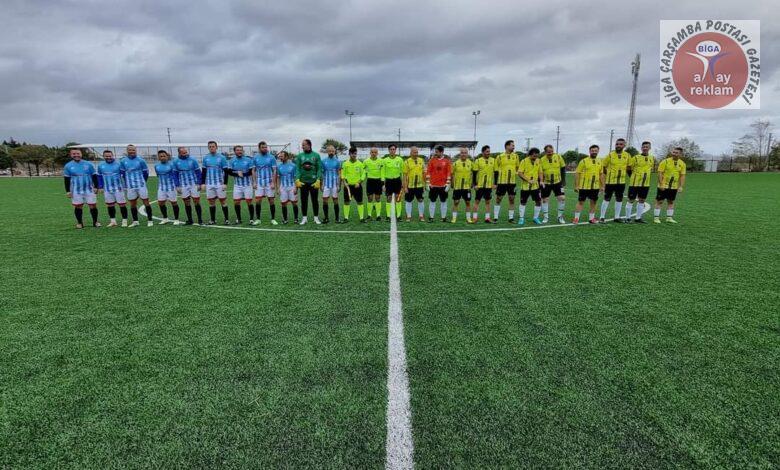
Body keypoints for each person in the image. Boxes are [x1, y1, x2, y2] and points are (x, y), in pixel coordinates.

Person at [63, 148, 100, 229]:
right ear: (71, 155)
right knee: (78, 206)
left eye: (78, 153)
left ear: (81, 154)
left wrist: (96, 187)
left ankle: (95, 222)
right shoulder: (68, 166)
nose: (76, 155)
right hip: (76, 190)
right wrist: (68, 191)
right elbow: (66, 179)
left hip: (89, 189)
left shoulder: (88, 164)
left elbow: (94, 176)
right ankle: (79, 223)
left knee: (93, 205)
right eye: (74, 154)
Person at [119, 144, 153, 227]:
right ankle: (135, 221)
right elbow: (122, 173)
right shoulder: (123, 161)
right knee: (132, 203)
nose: (131, 151)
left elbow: (146, 173)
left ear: (136, 150)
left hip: (141, 185)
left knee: (146, 201)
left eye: (133, 150)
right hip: (130, 186)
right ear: (127, 151)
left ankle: (150, 220)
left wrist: (143, 182)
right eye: (130, 150)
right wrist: (126, 184)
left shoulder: (141, 160)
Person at [573, 145, 605, 224]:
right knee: (581, 202)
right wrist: (576, 185)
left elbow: (601, 174)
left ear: (598, 151)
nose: (594, 152)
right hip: (584, 186)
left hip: (595, 186)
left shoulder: (600, 161)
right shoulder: (583, 161)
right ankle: (576, 218)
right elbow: (577, 173)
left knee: (593, 202)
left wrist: (602, 186)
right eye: (592, 151)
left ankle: (591, 218)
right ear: (589, 151)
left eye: (595, 151)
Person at [653, 147, 686, 224]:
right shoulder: (665, 161)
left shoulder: (682, 164)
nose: (674, 154)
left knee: (671, 202)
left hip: (674, 186)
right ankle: (656, 218)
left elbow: (682, 175)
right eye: (673, 152)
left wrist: (681, 186)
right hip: (663, 186)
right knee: (659, 201)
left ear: (680, 154)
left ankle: (669, 218)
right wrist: (661, 184)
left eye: (676, 153)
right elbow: (660, 173)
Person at [600, 138, 630, 222]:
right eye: (617, 144)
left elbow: (628, 167)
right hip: (610, 182)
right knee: (607, 198)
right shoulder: (610, 155)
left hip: (621, 182)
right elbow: (603, 167)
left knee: (619, 198)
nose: (618, 146)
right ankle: (602, 217)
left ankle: (617, 217)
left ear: (624, 145)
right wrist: (606, 176)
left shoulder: (627, 155)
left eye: (620, 144)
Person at [171, 146, 203, 225]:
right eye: (183, 153)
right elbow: (174, 174)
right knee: (186, 202)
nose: (185, 154)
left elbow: (198, 172)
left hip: (194, 184)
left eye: (186, 152)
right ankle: (190, 220)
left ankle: (200, 220)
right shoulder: (175, 161)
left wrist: (199, 183)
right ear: (179, 153)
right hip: (183, 185)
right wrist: (177, 185)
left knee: (196, 201)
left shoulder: (193, 159)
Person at [625, 141, 655, 223]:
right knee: (631, 200)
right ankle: (627, 218)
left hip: (645, 184)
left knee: (642, 200)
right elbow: (628, 168)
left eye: (647, 147)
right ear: (641, 148)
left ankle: (638, 218)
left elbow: (650, 169)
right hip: (634, 183)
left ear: (649, 148)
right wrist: (632, 177)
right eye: (643, 147)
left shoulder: (652, 158)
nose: (645, 148)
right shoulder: (635, 158)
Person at [294, 139, 322, 225]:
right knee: (303, 201)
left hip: (314, 182)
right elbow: (298, 169)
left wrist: (318, 179)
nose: (302, 146)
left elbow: (319, 169)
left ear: (309, 145)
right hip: (303, 182)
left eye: (304, 145)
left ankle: (316, 218)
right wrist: (297, 179)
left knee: (315, 201)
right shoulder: (299, 156)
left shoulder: (316, 155)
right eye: (302, 145)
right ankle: (304, 218)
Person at [97, 149, 128, 227]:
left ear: (112, 156)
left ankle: (124, 221)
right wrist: (100, 187)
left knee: (122, 205)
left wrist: (126, 185)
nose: (108, 157)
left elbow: (124, 175)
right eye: (106, 156)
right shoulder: (100, 165)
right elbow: (99, 176)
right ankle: (113, 221)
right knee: (110, 205)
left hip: (119, 189)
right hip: (107, 189)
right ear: (103, 156)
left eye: (110, 156)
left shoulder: (119, 164)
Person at [202, 141, 230, 225]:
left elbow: (226, 171)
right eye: (210, 146)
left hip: (219, 183)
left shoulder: (222, 158)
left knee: (223, 201)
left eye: (213, 146)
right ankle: (213, 220)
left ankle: (226, 219)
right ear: (208, 148)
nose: (211, 148)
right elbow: (204, 171)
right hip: (209, 184)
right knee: (211, 202)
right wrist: (203, 183)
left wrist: (225, 183)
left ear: (216, 147)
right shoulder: (205, 158)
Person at [539, 144, 567, 224]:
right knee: (545, 200)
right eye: (548, 152)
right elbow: (540, 172)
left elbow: (563, 168)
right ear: (545, 152)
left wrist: (563, 180)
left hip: (557, 182)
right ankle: (545, 217)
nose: (550, 153)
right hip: (546, 183)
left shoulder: (558, 157)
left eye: (552, 151)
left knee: (562, 198)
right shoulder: (541, 160)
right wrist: (541, 181)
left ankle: (560, 217)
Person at [494, 140, 520, 223]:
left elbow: (517, 167)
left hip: (512, 182)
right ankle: (495, 217)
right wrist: (495, 183)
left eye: (514, 145)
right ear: (507, 146)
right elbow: (496, 170)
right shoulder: (499, 157)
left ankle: (511, 218)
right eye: (512, 145)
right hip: (502, 182)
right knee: (498, 199)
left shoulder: (516, 156)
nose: (514, 147)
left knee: (512, 199)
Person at [229, 145, 255, 225]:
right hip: (237, 185)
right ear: (235, 151)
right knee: (236, 202)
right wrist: (237, 173)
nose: (239, 151)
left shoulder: (248, 160)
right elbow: (229, 171)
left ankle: (251, 219)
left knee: (249, 202)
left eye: (241, 150)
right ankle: (239, 219)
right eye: (237, 150)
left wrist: (243, 174)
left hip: (247, 185)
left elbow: (251, 171)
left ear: (243, 151)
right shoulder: (232, 160)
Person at [253, 141, 278, 224]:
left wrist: (273, 183)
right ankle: (258, 219)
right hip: (259, 182)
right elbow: (253, 170)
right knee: (258, 200)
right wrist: (254, 182)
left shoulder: (271, 157)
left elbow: (274, 170)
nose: (265, 149)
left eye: (266, 147)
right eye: (263, 147)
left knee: (271, 200)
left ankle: (273, 219)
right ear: (259, 148)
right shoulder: (255, 157)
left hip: (269, 182)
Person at [517, 147, 544, 225]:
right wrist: (528, 180)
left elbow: (540, 172)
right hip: (525, 187)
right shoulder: (524, 161)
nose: (536, 157)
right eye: (534, 156)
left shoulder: (538, 161)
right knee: (523, 202)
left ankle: (535, 218)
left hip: (535, 186)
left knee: (538, 202)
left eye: (537, 156)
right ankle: (521, 218)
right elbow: (520, 173)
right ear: (530, 154)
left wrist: (541, 180)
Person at [154, 150, 181, 225]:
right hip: (161, 187)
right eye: (161, 156)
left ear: (167, 156)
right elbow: (158, 175)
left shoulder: (172, 165)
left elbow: (176, 175)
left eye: (164, 156)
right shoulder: (156, 166)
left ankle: (176, 219)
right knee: (160, 203)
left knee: (174, 203)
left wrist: (177, 185)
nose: (163, 157)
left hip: (171, 187)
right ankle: (165, 218)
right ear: (158, 157)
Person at [426, 145, 451, 222]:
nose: (435, 153)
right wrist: (428, 183)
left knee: (443, 201)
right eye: (435, 152)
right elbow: (428, 172)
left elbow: (449, 173)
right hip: (433, 185)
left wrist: (448, 183)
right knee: (432, 201)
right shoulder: (431, 161)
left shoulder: (447, 161)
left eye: (437, 152)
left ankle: (443, 218)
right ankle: (431, 217)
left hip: (443, 186)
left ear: (442, 152)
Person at [472, 145, 496, 223]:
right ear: (483, 152)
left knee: (488, 202)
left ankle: (487, 218)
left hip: (489, 186)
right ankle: (475, 218)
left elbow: (496, 172)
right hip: (480, 185)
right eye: (487, 151)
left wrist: (495, 183)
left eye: (489, 151)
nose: (488, 153)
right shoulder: (478, 161)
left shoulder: (493, 160)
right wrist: (475, 184)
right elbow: (474, 174)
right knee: (477, 201)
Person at [341, 147, 366, 222]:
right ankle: (346, 218)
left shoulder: (360, 164)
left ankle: (361, 218)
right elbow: (343, 174)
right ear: (349, 154)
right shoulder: (345, 163)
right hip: (348, 186)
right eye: (352, 154)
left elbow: (363, 174)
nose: (354, 155)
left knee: (360, 202)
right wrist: (344, 182)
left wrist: (359, 182)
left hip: (357, 186)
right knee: (346, 202)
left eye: (355, 154)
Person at [451, 147, 474, 224]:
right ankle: (454, 218)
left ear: (467, 154)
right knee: (456, 202)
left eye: (465, 153)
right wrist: (452, 183)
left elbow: (473, 173)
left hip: (467, 187)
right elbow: (452, 174)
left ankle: (468, 218)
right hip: (457, 187)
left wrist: (472, 183)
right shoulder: (455, 163)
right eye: (462, 153)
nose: (463, 154)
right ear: (460, 154)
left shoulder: (471, 163)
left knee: (467, 202)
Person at [402, 146, 426, 222]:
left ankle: (421, 216)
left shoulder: (421, 160)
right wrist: (405, 187)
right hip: (410, 186)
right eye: (414, 152)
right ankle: (408, 216)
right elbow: (404, 175)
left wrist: (424, 185)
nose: (416, 154)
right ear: (411, 153)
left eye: (417, 152)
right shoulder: (406, 162)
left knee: (420, 200)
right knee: (408, 201)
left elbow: (424, 173)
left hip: (419, 185)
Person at [321, 144, 342, 223]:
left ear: (334, 151)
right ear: (327, 151)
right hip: (326, 184)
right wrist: (321, 185)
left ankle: (337, 218)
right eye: (329, 151)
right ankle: (326, 218)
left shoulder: (337, 161)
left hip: (334, 184)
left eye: (333, 151)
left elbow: (339, 174)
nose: (331, 152)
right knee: (325, 201)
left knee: (335, 200)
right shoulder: (323, 161)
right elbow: (321, 174)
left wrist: (339, 185)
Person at [276, 151, 299, 224]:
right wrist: (278, 188)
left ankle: (296, 219)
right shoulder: (278, 166)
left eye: (282, 156)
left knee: (294, 203)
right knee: (283, 203)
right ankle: (285, 219)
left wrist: (296, 188)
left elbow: (296, 178)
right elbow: (278, 178)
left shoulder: (293, 166)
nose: (280, 158)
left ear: (286, 157)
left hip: (292, 186)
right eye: (280, 156)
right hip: (283, 187)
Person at [382, 144, 404, 221]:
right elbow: (383, 173)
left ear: (395, 150)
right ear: (389, 150)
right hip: (388, 181)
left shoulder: (400, 160)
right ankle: (388, 216)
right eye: (391, 149)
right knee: (389, 198)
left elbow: (402, 172)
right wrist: (383, 184)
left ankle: (399, 216)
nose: (392, 151)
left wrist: (403, 182)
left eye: (393, 149)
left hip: (397, 181)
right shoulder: (385, 160)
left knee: (398, 198)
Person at [363, 148, 384, 221]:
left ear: (377, 153)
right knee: (370, 198)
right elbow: (364, 172)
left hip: (378, 181)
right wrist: (361, 180)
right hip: (370, 181)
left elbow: (382, 172)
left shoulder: (381, 161)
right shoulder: (366, 161)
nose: (373, 153)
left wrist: (383, 183)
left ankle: (378, 215)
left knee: (377, 198)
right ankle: (369, 215)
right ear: (370, 153)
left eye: (375, 152)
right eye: (372, 152)